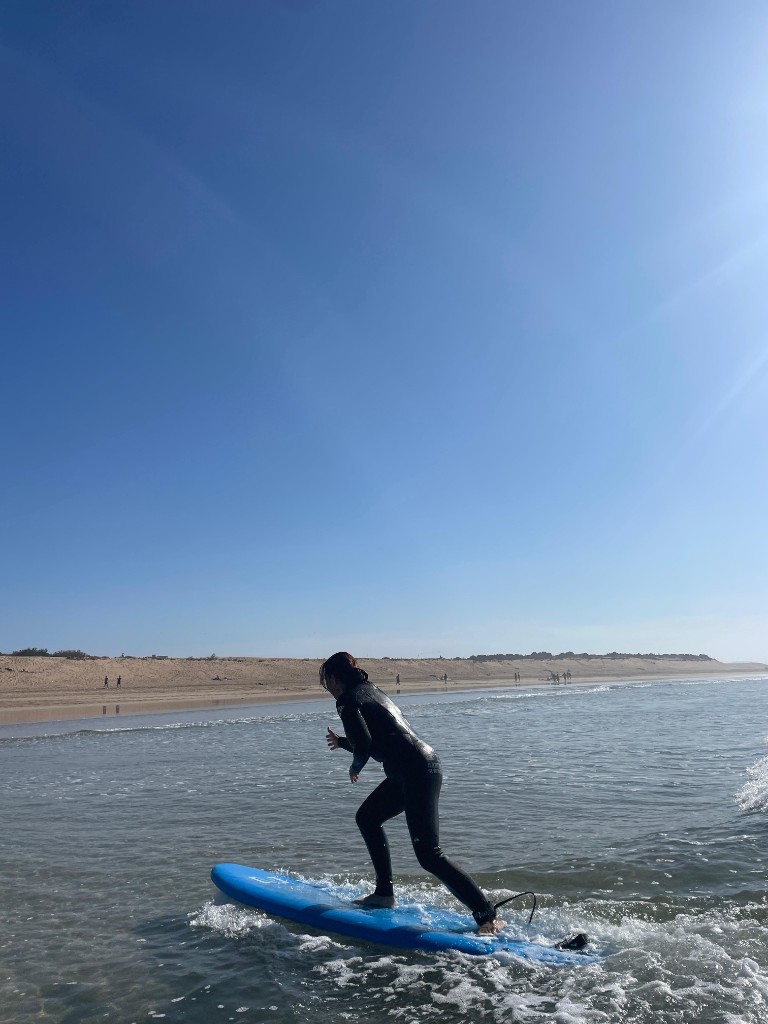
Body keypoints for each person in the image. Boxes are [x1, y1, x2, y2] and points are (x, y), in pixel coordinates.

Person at [321, 651, 502, 934]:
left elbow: (365, 744)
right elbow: (381, 737)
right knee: (367, 818)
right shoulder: (371, 691)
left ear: (334, 678)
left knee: (429, 854)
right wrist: (344, 743)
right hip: (415, 767)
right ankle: (383, 894)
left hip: (414, 771)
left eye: (326, 682)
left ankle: (486, 915)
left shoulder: (346, 700)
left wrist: (354, 766)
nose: (327, 689)